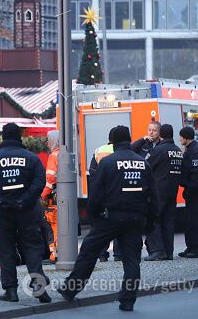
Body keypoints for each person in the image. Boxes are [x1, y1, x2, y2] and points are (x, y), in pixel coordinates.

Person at [58, 126, 159, 312]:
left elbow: (95, 194)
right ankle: (128, 301)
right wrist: (151, 220)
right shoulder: (143, 163)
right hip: (136, 218)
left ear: (113, 143)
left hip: (110, 217)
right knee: (131, 260)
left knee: (89, 251)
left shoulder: (108, 163)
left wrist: (93, 216)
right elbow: (153, 194)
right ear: (128, 140)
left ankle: (70, 289)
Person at [0, 123, 51, 304]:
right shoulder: (31, 158)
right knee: (32, 247)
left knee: (7, 249)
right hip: (27, 210)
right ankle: (38, 287)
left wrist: (0, 200)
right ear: (19, 137)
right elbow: (39, 181)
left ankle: (11, 291)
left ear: (3, 137)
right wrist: (24, 199)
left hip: (4, 212)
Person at [144, 124, 182, 261]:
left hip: (158, 191)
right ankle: (168, 251)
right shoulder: (178, 150)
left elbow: (145, 166)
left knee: (153, 219)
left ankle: (158, 251)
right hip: (173, 191)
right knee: (168, 221)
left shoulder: (159, 150)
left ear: (161, 134)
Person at [88, 127, 121, 262]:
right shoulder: (123, 151)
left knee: (102, 225)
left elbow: (92, 172)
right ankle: (119, 254)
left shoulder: (99, 150)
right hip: (118, 192)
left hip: (102, 193)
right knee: (120, 223)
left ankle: (102, 254)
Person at [178, 126, 198, 258]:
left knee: (196, 221)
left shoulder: (195, 151)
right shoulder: (192, 149)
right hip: (193, 190)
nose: (179, 139)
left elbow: (197, 175)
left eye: (181, 136)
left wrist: (189, 188)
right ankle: (191, 247)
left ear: (186, 137)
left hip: (197, 192)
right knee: (190, 221)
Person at [41, 130, 59, 263]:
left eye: (48, 141)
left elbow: (50, 180)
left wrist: (42, 196)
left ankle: (55, 256)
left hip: (54, 199)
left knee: (54, 228)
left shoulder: (53, 156)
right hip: (64, 197)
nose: (47, 144)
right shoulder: (65, 154)